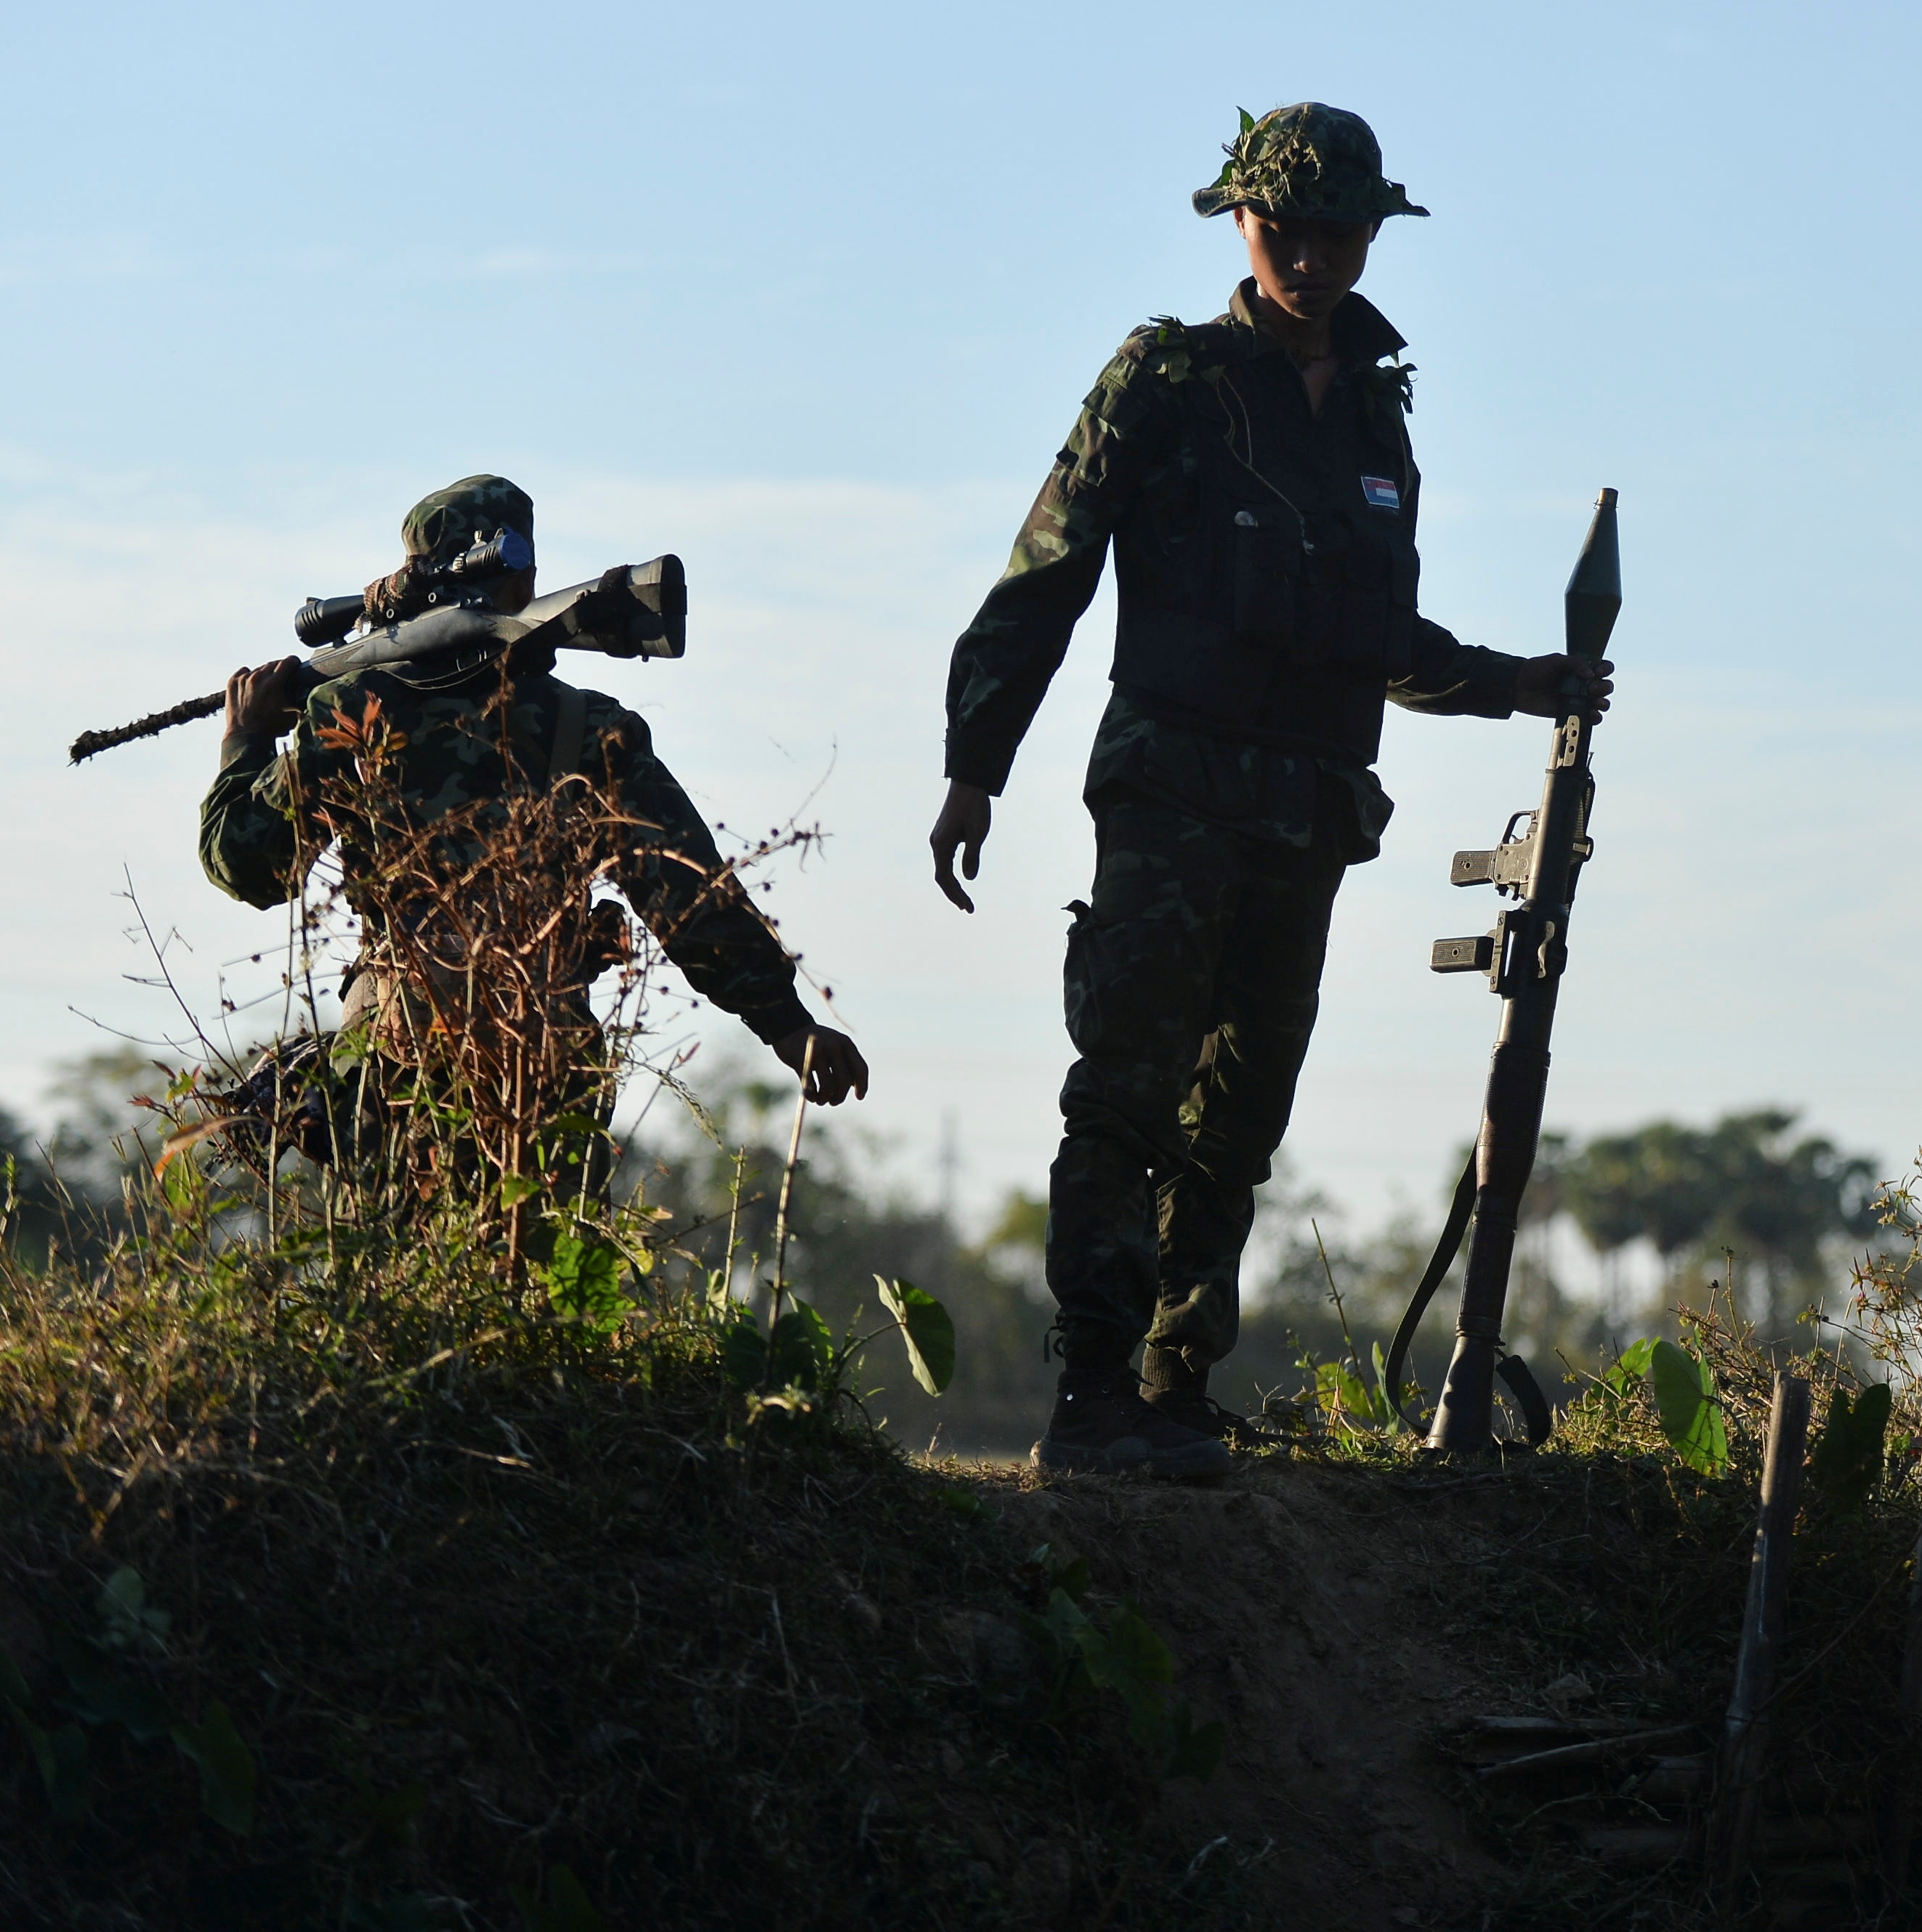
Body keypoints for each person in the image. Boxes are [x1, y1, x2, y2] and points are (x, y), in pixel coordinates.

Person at [932, 103, 1608, 1479]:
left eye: (1334, 231)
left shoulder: (1374, 411)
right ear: (1240, 226)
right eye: (1281, 228)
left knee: (1236, 1120)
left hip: (1304, 816)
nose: (1308, 254)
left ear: (1369, 235)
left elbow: (1377, 639)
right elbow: (1042, 574)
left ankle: (1177, 1389)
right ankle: (1091, 1402)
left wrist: (1518, 681)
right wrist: (974, 764)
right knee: (1125, 1090)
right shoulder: (1167, 381)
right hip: (1170, 796)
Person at [201, 476, 866, 1187]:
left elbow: (247, 867)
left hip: (399, 1078)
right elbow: (690, 897)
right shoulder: (588, 728)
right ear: (526, 579)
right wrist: (788, 1026)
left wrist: (244, 740)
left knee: (416, 1288)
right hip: (546, 1079)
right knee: (542, 1287)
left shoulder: (347, 712)